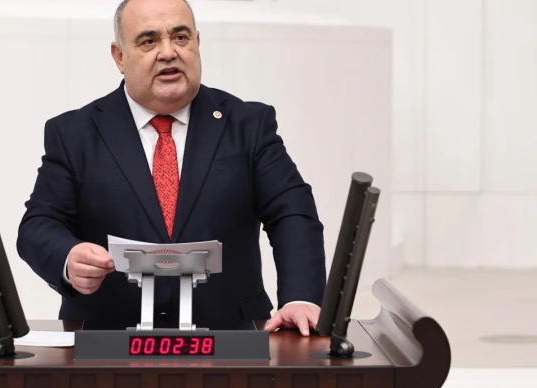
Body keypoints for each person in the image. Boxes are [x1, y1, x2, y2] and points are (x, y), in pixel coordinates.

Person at [17, 0, 326, 335]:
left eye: (180, 37)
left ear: (197, 43)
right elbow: (39, 224)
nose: (168, 52)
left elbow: (291, 212)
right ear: (119, 56)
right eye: (149, 41)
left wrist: (300, 298)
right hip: (105, 341)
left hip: (231, 340)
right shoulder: (75, 134)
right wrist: (68, 257)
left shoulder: (247, 125)